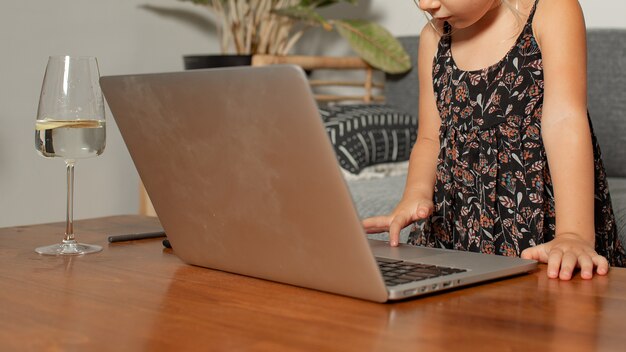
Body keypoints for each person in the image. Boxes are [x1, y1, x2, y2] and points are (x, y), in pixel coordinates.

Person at [363, 0, 626, 280]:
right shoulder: (434, 37)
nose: (427, 4)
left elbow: (565, 122)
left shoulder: (552, 10)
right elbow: (430, 137)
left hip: (538, 224)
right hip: (457, 229)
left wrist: (574, 234)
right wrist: (414, 194)